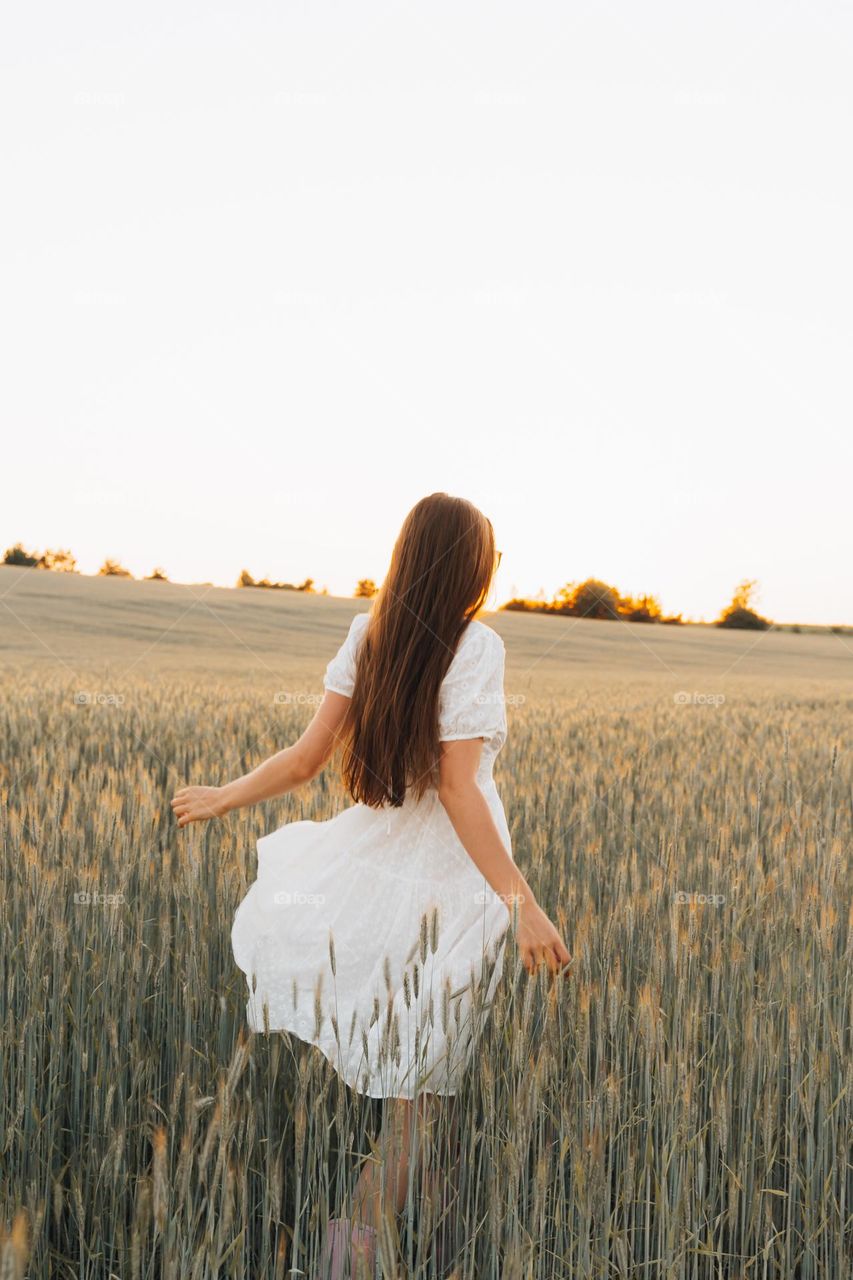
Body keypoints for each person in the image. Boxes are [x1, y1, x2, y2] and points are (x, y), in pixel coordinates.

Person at [172, 492, 571, 1278]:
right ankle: (338, 1265)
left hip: (380, 880)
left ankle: (428, 1253)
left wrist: (224, 795)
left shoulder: (369, 631)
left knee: (428, 1100)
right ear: (470, 566)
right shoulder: (476, 644)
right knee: (421, 1107)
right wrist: (521, 907)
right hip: (454, 891)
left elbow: (306, 758)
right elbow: (459, 788)